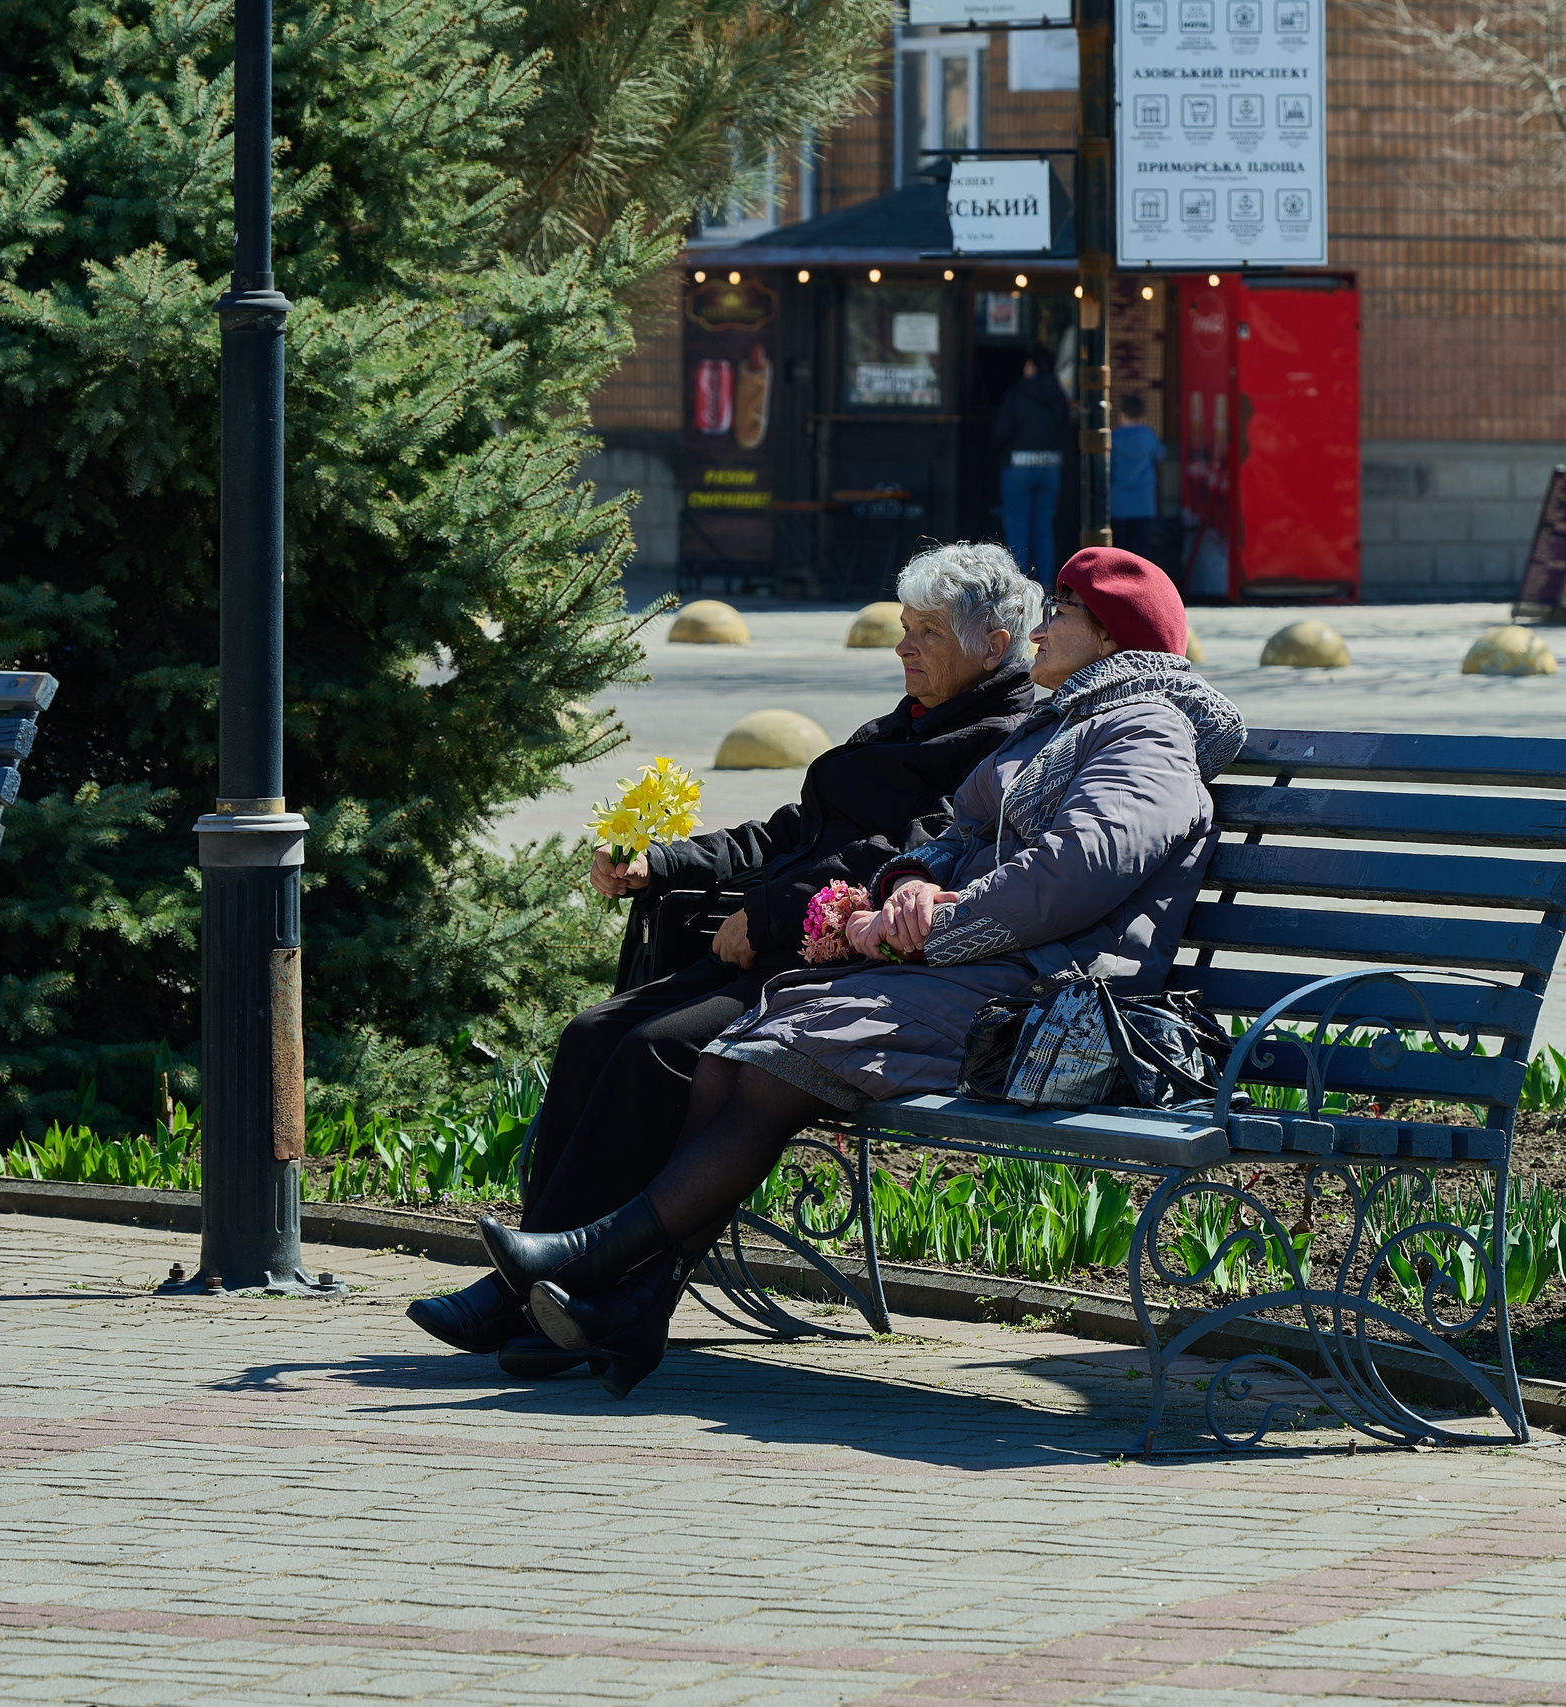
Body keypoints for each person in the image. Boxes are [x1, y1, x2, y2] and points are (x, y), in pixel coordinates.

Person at [473, 547, 1244, 1399]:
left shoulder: (1147, 732)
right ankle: (634, 1300)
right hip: (991, 973)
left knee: (787, 1038)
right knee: (745, 1047)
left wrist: (940, 919)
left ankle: (597, 1264)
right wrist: (909, 882)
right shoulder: (1064, 724)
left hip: (1053, 998)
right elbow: (950, 835)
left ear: (1110, 639)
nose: (1043, 626)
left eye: (1061, 611)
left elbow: (1078, 868)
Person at [406, 545, 1042, 1373]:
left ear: (993, 645)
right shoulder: (914, 717)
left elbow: (906, 858)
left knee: (655, 1049)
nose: (903, 647)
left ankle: (547, 1300)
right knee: (594, 1031)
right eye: (903, 628)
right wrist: (663, 862)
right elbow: (792, 831)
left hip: (843, 970)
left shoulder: (996, 740)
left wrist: (768, 914)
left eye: (925, 632)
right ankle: (534, 1285)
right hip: (778, 942)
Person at [992, 355, 1071, 584]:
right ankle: (1045, 586)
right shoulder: (1058, 395)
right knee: (1043, 529)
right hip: (1050, 466)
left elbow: (1001, 431)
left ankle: (1018, 588)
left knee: (1017, 529)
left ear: (1032, 366)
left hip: (1018, 465)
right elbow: (1064, 428)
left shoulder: (1017, 393)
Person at [1109, 394, 1168, 565]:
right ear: (1142, 416)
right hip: (1144, 503)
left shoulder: (1114, 438)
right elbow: (1161, 456)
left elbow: (1109, 469)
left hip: (1119, 503)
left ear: (1121, 415)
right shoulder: (1149, 436)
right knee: (1142, 550)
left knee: (1120, 550)